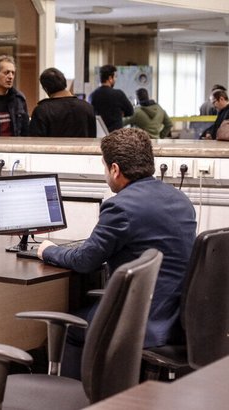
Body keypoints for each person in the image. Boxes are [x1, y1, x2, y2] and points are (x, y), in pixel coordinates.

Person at [36, 127, 196, 379]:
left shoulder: (120, 207)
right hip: (176, 321)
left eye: (104, 167)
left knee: (68, 328)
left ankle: (75, 396)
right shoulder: (180, 199)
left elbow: (85, 260)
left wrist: (49, 250)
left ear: (115, 169)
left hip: (139, 322)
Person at [28, 67, 96, 137]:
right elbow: (92, 137)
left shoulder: (42, 111)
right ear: (65, 83)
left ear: (45, 89)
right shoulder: (87, 107)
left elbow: (35, 140)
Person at [88, 65, 134, 132]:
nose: (115, 79)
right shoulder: (118, 94)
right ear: (110, 78)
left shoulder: (92, 96)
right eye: (115, 77)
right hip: (116, 135)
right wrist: (119, 113)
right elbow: (130, 111)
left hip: (100, 135)